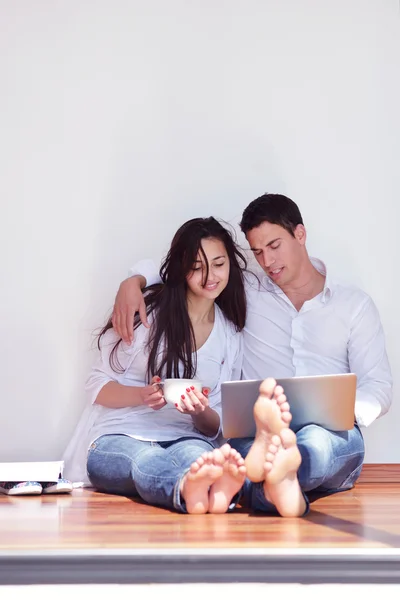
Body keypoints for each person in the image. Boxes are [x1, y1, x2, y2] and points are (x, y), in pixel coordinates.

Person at [112, 193, 392, 506]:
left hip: (330, 431)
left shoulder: (353, 305)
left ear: (300, 234)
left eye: (274, 246)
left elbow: (378, 388)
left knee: (313, 445)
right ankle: (281, 491)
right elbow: (185, 270)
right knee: (247, 457)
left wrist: (339, 412)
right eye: (258, 251)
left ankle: (276, 478)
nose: (268, 261)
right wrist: (132, 284)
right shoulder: (248, 288)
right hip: (259, 434)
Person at [63, 215, 307, 516]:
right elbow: (97, 385)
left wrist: (200, 411)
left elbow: (216, 423)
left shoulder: (229, 334)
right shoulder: (148, 312)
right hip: (119, 436)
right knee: (144, 462)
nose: (210, 277)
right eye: (196, 268)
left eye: (218, 264)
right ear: (182, 269)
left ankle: (262, 487)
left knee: (200, 458)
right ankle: (189, 487)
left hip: (186, 436)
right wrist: (141, 395)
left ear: (230, 263)